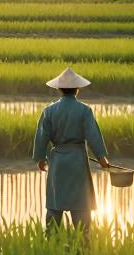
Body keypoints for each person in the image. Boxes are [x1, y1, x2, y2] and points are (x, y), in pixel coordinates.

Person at [32, 67, 110, 244]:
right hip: (77, 161)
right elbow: (93, 136)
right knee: (81, 204)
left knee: (54, 204)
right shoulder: (85, 111)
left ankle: (50, 243)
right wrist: (102, 159)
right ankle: (84, 245)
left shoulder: (49, 111)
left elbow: (42, 136)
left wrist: (40, 158)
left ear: (59, 89)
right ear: (78, 89)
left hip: (58, 160)